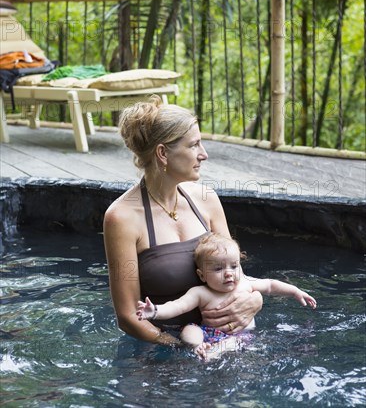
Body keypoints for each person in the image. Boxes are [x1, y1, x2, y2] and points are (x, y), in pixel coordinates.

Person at [103, 96, 263, 347]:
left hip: (225, 341)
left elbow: (235, 273)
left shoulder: (207, 199)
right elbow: (127, 316)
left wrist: (256, 300)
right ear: (163, 153)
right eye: (194, 145)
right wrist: (180, 350)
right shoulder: (122, 218)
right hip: (163, 351)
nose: (204, 155)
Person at [136, 233, 317, 359]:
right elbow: (177, 306)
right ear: (201, 275)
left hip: (238, 335)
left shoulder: (245, 284)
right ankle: (197, 347)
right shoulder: (201, 293)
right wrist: (155, 311)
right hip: (208, 333)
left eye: (234, 266)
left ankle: (212, 354)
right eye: (218, 268)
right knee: (190, 330)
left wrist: (295, 291)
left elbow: (270, 284)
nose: (228, 273)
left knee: (233, 342)